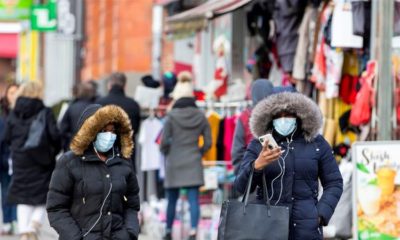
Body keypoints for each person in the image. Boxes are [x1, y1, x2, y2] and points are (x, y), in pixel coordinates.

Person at [234, 92, 343, 239]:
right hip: (266, 227)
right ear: (270, 118)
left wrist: (320, 215)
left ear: (299, 115)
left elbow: (334, 182)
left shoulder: (317, 144)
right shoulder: (258, 145)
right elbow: (240, 187)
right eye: (278, 115)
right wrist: (256, 166)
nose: (283, 119)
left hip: (306, 229)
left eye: (289, 114)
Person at [47, 104, 140, 240]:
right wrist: (76, 237)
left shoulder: (123, 162)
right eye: (103, 131)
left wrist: (129, 233)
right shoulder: (69, 162)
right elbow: (56, 208)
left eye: (113, 131)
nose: (109, 135)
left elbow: (132, 205)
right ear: (91, 131)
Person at [3, 81, 61, 240]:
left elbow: (6, 137)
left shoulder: (14, 112)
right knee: (43, 195)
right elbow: (55, 136)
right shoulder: (45, 111)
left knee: (23, 196)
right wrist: (53, 152)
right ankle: (33, 226)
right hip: (41, 161)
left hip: (20, 161)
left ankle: (24, 232)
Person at [160, 96, 212, 240]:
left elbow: (164, 141)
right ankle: (193, 231)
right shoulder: (201, 117)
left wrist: (167, 152)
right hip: (193, 160)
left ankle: (168, 231)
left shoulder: (170, 117)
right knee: (193, 200)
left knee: (171, 199)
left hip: (174, 161)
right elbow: (208, 142)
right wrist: (199, 152)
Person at [96, 72, 141, 171]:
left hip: (104, 155)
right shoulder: (133, 104)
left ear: (109, 85)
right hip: (126, 155)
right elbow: (136, 129)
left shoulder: (99, 103)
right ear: (124, 85)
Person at [231, 79, 274, 175]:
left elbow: (237, 150)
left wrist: (242, 173)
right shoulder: (278, 116)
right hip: (275, 174)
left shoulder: (245, 116)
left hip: (251, 173)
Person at [0, 83, 18, 235]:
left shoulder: (24, 111)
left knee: (18, 190)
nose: (14, 95)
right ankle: (7, 221)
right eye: (11, 92)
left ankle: (17, 220)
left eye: (16, 92)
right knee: (6, 190)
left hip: (20, 158)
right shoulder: (3, 113)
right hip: (5, 158)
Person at [59, 81, 97, 151]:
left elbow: (62, 130)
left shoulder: (71, 108)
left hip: (73, 146)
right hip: (91, 148)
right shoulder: (96, 108)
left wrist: (66, 145)